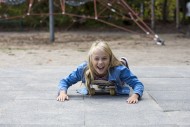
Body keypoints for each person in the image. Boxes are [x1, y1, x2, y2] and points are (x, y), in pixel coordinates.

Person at [57, 40, 144, 104]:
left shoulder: (119, 70)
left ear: (110, 59)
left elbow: (137, 84)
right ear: (91, 59)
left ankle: (123, 62)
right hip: (98, 80)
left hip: (118, 77)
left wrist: (135, 95)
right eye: (96, 59)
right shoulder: (83, 69)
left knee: (123, 69)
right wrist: (62, 93)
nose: (100, 62)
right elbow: (65, 81)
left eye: (104, 58)